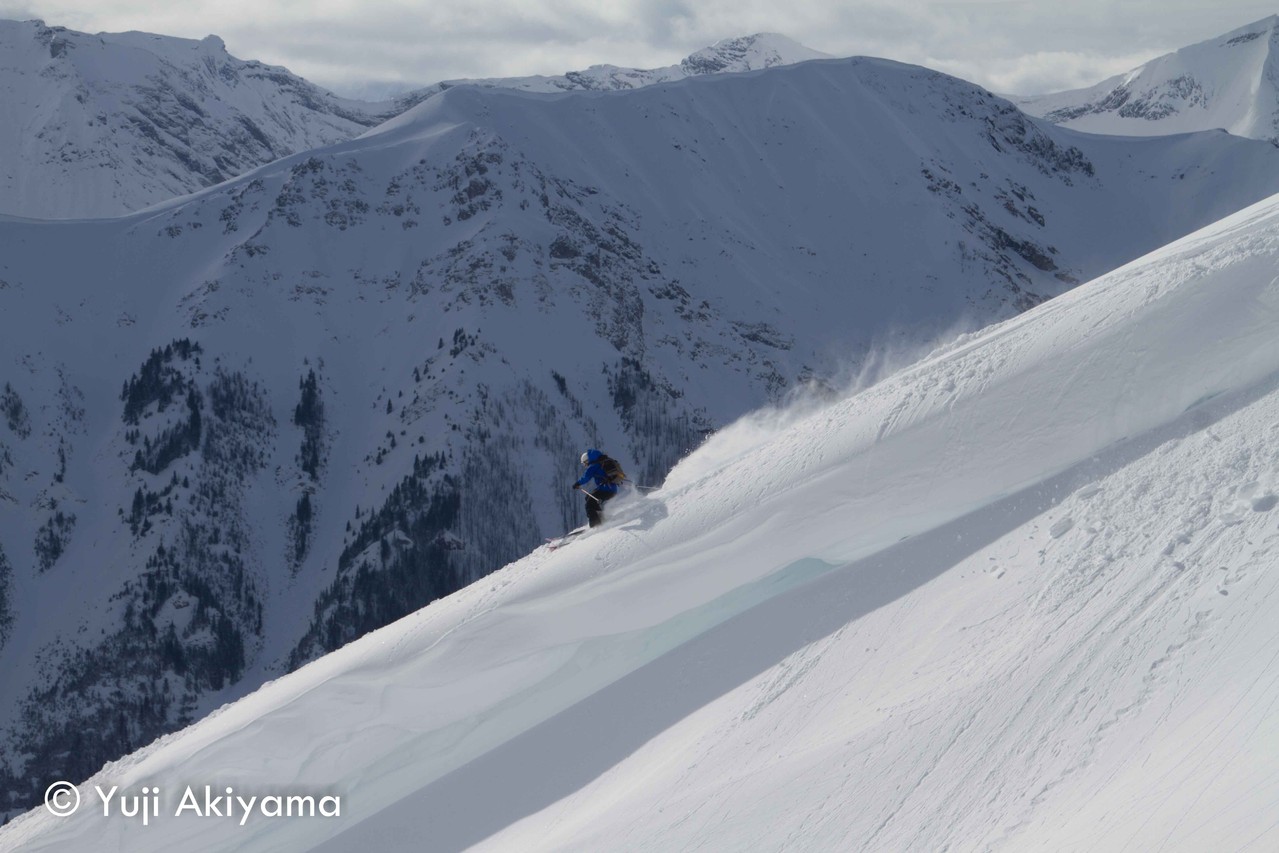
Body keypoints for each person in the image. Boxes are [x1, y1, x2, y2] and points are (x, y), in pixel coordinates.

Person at [572, 448, 625, 527]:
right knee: (588, 497)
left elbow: (586, 477)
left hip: (606, 490)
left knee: (589, 505)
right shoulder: (602, 461)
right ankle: (601, 518)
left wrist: (577, 483)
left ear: (587, 460)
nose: (585, 465)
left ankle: (595, 525)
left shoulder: (593, 466)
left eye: (585, 463)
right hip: (610, 489)